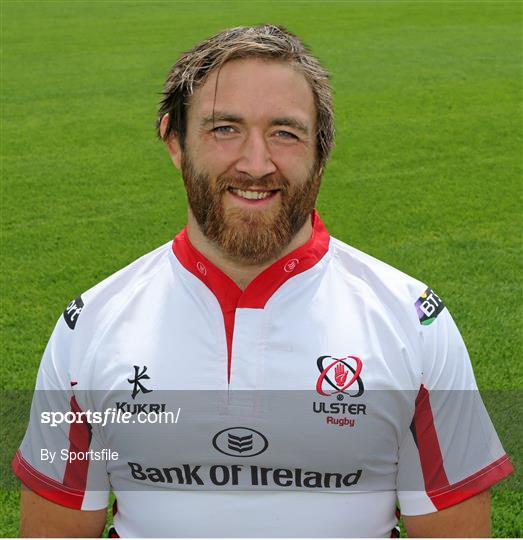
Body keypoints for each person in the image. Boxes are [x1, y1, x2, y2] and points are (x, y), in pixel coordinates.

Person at [13, 25, 513, 538]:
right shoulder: (90, 325)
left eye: (285, 133)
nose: (256, 164)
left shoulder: (413, 321)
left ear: (321, 151)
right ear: (174, 142)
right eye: (224, 128)